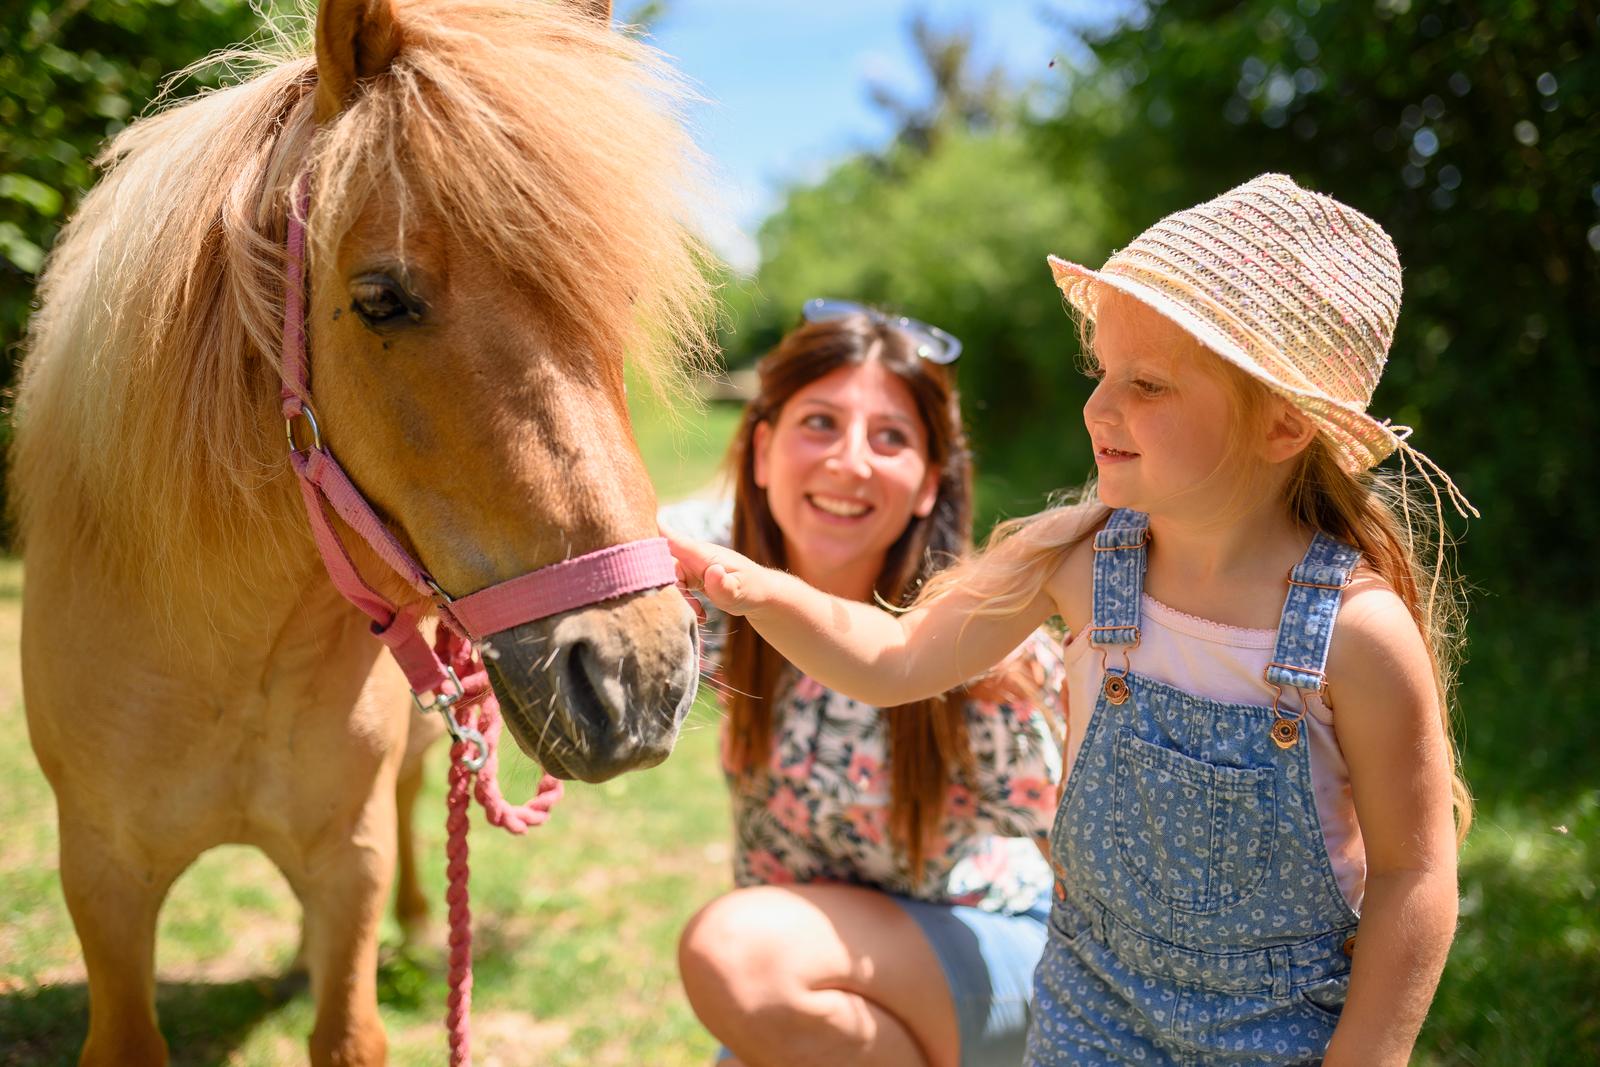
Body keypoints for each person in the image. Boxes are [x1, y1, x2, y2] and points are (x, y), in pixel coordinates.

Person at [670, 174, 1475, 1066]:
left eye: (1148, 384)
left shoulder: (1356, 634)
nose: (1098, 408)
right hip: (1089, 1011)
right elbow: (894, 656)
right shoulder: (1081, 562)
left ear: (1283, 424)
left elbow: (1413, 871)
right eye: (1102, 375)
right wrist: (760, 588)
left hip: (1274, 1032)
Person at [665, 300, 1066, 1067]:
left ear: (927, 484)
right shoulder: (720, 581)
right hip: (819, 975)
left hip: (997, 962)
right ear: (760, 451)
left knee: (738, 957)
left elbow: (1094, 874)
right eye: (819, 422)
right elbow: (593, 546)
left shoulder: (974, 641)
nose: (850, 461)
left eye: (891, 438)